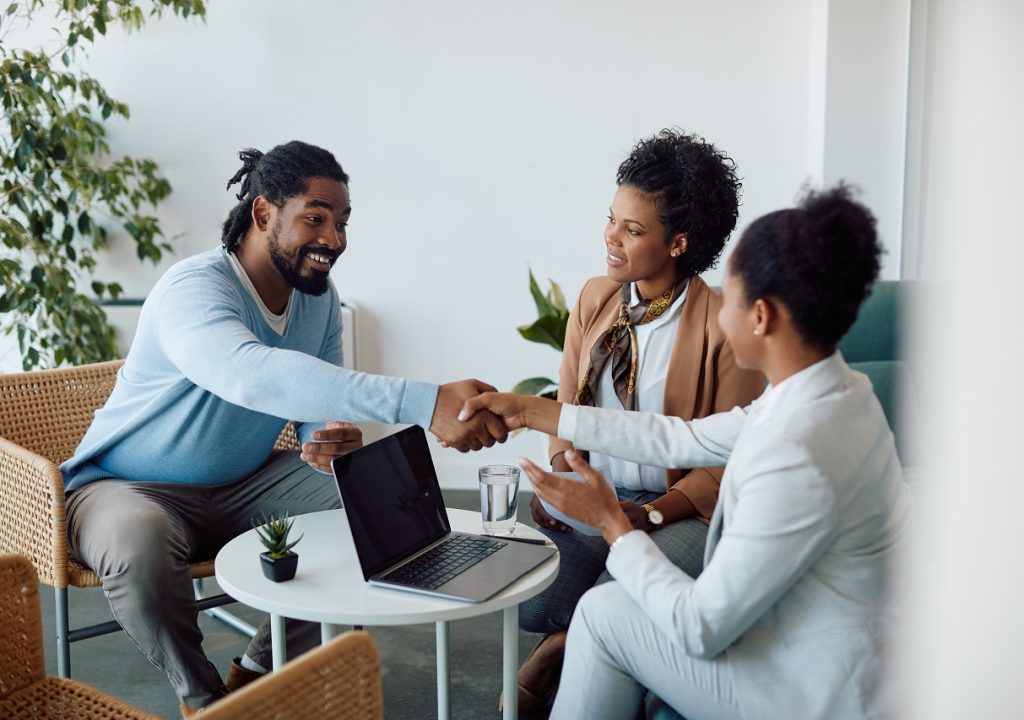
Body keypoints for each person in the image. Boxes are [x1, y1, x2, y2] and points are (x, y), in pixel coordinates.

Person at [60, 140, 506, 716]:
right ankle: (204, 701)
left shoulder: (318, 301)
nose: (335, 240)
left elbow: (313, 401)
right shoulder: (193, 289)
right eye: (315, 218)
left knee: (375, 506)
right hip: (122, 486)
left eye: (342, 223)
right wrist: (425, 400)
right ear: (264, 214)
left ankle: (255, 675)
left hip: (245, 481)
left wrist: (328, 436)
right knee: (138, 542)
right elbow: (250, 375)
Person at [461, 185, 912, 720]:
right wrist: (530, 411)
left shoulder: (796, 454)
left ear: (760, 316)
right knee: (602, 610)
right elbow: (677, 436)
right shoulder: (836, 392)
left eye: (734, 301)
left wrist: (615, 525)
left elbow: (702, 627)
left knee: (604, 617)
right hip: (829, 647)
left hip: (807, 688)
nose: (722, 315)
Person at [514, 129, 764, 710]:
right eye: (611, 219)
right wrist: (562, 477)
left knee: (612, 606)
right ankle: (560, 638)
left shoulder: (723, 328)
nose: (611, 238)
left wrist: (644, 515)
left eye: (632, 229)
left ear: (678, 243)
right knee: (527, 599)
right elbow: (565, 406)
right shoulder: (595, 298)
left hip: (682, 511)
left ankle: (553, 658)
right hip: (596, 492)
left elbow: (727, 462)